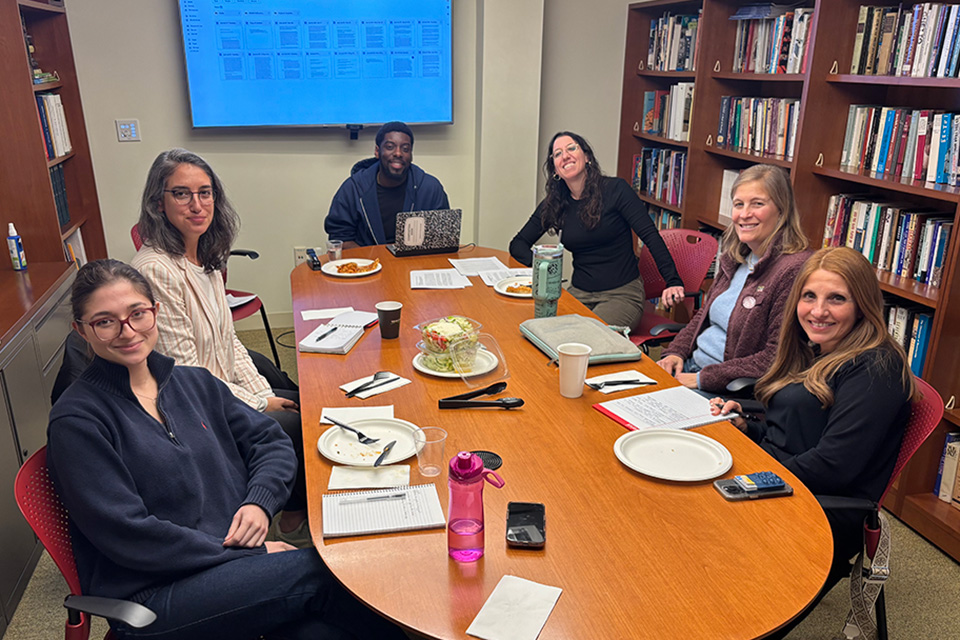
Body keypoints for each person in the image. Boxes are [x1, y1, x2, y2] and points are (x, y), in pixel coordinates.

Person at [47, 260, 405, 640]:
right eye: (105, 322)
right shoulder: (78, 421)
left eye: (138, 313)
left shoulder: (193, 382)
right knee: (330, 569)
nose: (128, 331)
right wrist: (250, 556)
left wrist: (259, 501)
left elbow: (270, 441)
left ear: (155, 311)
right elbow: (129, 534)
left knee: (325, 631)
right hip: (156, 594)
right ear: (81, 330)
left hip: (233, 572)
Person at [711, 247, 918, 615]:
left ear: (862, 305)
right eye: (809, 296)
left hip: (818, 509)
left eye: (836, 299)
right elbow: (795, 434)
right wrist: (749, 429)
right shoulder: (819, 349)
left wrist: (750, 478)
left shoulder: (876, 368)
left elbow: (834, 465)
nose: (818, 311)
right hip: (785, 484)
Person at [131, 148, 307, 547]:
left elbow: (228, 341)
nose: (197, 205)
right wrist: (260, 405)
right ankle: (290, 517)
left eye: (205, 193)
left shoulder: (203, 256)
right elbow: (188, 373)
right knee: (295, 426)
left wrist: (262, 394)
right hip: (188, 407)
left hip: (216, 387)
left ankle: (296, 506)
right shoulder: (156, 269)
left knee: (297, 401)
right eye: (182, 194)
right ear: (159, 202)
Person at [509, 131, 684, 330]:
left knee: (583, 338)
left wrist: (673, 280)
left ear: (587, 157)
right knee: (542, 332)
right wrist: (546, 270)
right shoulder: (556, 204)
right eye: (557, 154)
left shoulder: (616, 190)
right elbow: (518, 244)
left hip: (621, 295)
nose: (565, 156)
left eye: (571, 148)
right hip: (578, 293)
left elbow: (650, 236)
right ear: (555, 170)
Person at [657, 164, 810, 393]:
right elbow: (703, 316)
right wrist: (675, 352)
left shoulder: (793, 269)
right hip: (691, 368)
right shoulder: (737, 256)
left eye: (757, 203)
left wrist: (701, 379)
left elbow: (775, 356)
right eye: (739, 204)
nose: (744, 214)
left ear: (782, 210)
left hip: (724, 388)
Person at [325, 121, 449, 248]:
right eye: (390, 147)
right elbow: (340, 238)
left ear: (411, 155)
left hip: (415, 264)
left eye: (405, 149)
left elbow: (442, 239)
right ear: (377, 152)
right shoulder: (353, 189)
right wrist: (373, 262)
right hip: (368, 265)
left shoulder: (430, 188)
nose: (398, 153)